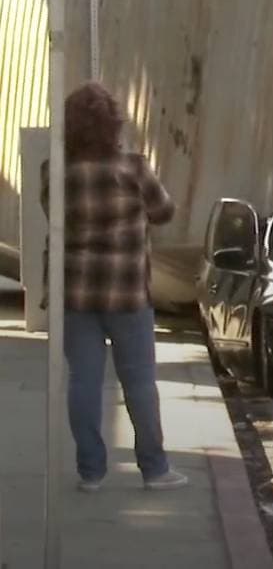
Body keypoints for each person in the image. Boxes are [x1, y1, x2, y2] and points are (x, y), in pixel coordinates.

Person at [41, 82, 189, 492]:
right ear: (113, 127)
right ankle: (155, 469)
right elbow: (164, 212)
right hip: (127, 296)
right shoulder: (134, 168)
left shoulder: (54, 169)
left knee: (83, 381)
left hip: (75, 296)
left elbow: (49, 211)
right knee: (139, 382)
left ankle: (91, 472)